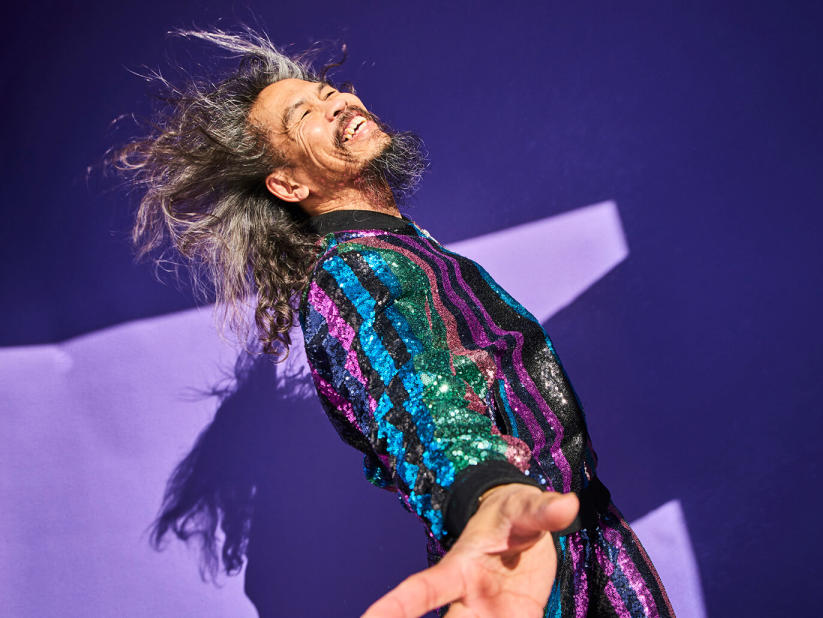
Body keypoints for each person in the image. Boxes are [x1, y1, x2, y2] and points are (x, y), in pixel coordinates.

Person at [115, 27, 676, 617]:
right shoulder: (353, 272)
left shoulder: (400, 246)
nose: (337, 101)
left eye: (328, 88)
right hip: (523, 558)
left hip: (581, 541)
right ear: (289, 184)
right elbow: (416, 399)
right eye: (306, 111)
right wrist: (489, 496)